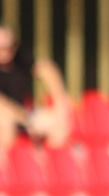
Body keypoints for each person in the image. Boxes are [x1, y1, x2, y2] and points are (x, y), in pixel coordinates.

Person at [0, 25, 72, 153]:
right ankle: (8, 168)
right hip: (12, 115)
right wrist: (25, 118)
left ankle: (50, 166)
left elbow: (47, 69)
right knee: (5, 123)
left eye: (11, 47)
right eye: (3, 48)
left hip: (22, 114)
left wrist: (60, 103)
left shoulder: (20, 59)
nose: (8, 51)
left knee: (58, 126)